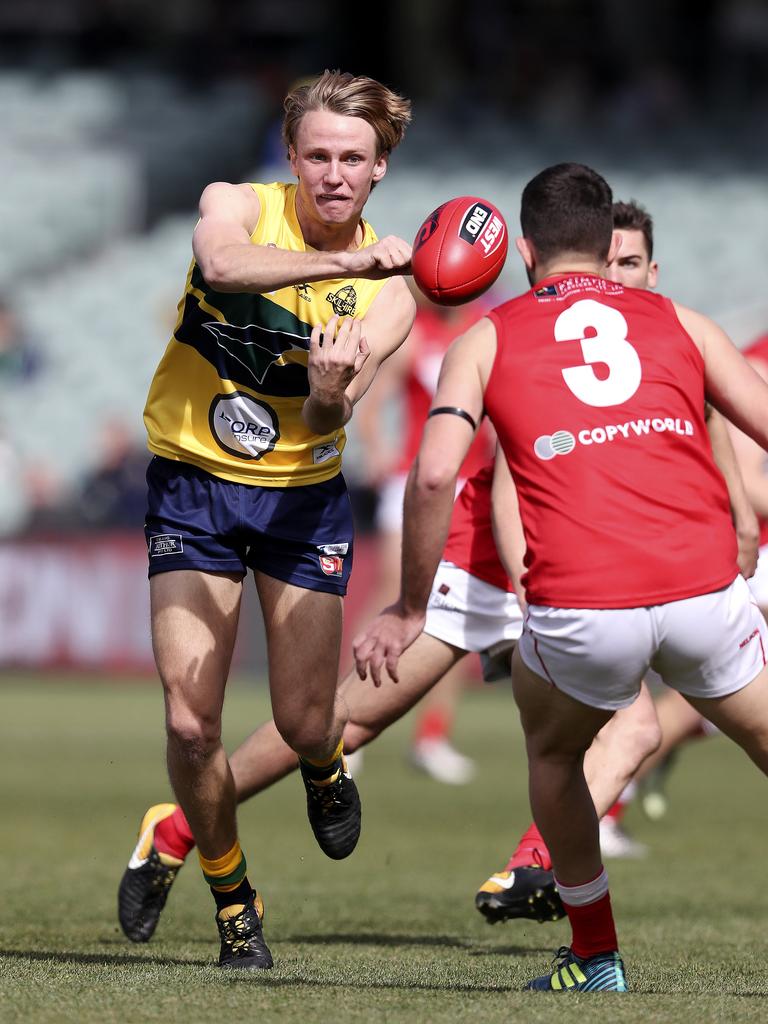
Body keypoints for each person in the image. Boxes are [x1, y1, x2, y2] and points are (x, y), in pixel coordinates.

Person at [353, 163, 768, 993]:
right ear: (609, 240)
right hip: (704, 589)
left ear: (528, 248)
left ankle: (596, 956)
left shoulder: (487, 336)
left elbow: (434, 477)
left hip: (583, 609)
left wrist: (407, 604)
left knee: (554, 754)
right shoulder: (682, 320)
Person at [118, 70, 416, 971]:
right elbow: (220, 266)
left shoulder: (394, 296)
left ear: (380, 171)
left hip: (300, 501)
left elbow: (334, 419)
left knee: (301, 718)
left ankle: (322, 764)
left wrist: (328, 391)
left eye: (352, 159)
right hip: (191, 486)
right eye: (318, 155)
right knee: (188, 725)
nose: (333, 174)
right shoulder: (239, 205)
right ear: (291, 158)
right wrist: (344, 264)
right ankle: (235, 901)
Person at [113, 451, 662, 940]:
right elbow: (515, 471)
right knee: (336, 724)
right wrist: (534, 594)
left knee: (633, 728)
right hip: (489, 571)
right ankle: (179, 828)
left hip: (563, 573)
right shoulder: (578, 347)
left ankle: (532, 862)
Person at [354, 294, 494, 784]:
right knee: (391, 593)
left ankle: (432, 735)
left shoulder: (485, 328)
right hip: (414, 477)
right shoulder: (416, 334)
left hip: (468, 482)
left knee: (455, 608)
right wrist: (378, 453)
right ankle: (343, 722)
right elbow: (375, 406)